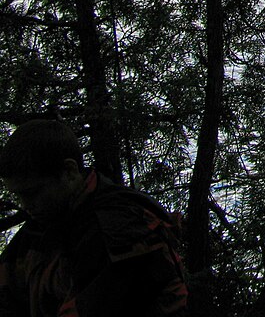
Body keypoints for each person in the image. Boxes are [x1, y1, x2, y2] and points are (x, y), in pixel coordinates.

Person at [0, 119, 188, 316]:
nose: (25, 205)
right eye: (18, 195)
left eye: (32, 192)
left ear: (69, 172)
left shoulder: (122, 232)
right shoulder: (40, 227)